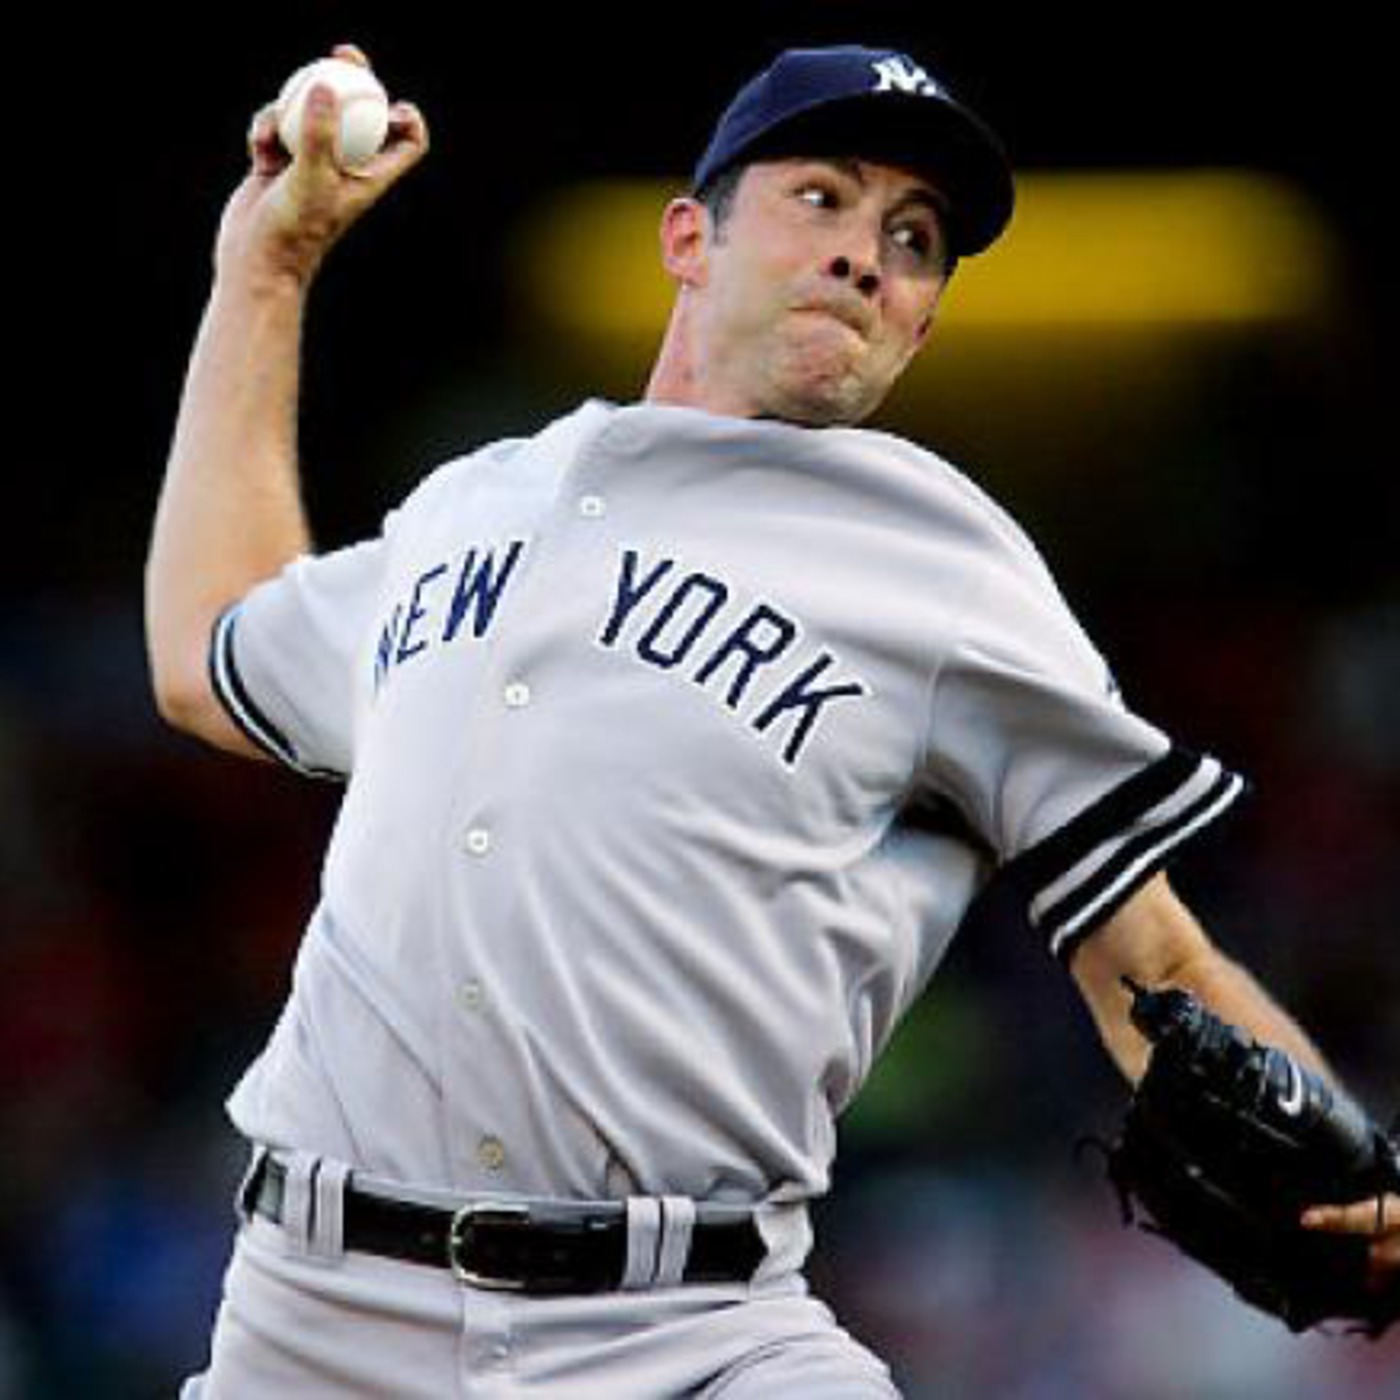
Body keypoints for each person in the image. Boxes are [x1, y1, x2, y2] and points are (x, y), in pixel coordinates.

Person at [146, 40, 1395, 1398]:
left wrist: (1366, 1184)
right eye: (822, 197)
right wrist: (264, 270)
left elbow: (1154, 959)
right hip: (317, 1318)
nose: (867, 254)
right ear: (690, 238)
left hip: (691, 1331)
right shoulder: (470, 504)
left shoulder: (942, 563)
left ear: (917, 326)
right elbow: (207, 656)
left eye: (913, 241)